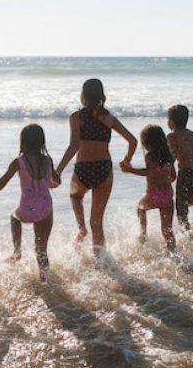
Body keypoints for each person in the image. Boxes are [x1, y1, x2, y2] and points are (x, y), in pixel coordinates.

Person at [55, 78, 137, 258]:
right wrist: (127, 160)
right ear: (101, 95)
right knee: (97, 222)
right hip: (104, 170)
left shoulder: (76, 117)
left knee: (75, 196)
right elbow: (133, 140)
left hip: (83, 168)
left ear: (83, 95)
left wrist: (58, 171)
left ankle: (81, 229)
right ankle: (100, 262)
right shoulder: (109, 119)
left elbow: (74, 146)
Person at [0, 124, 61, 281]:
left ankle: (17, 252)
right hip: (45, 208)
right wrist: (53, 182)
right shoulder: (47, 160)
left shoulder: (19, 162)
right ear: (41, 141)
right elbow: (54, 182)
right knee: (41, 250)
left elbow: (1, 182)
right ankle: (45, 282)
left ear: (23, 142)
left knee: (14, 217)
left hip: (27, 208)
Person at [121, 125, 177, 251]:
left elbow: (148, 172)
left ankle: (143, 234)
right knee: (167, 229)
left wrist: (130, 170)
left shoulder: (150, 156)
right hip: (168, 194)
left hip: (154, 194)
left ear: (147, 143)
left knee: (140, 208)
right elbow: (173, 176)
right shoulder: (169, 156)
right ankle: (172, 250)